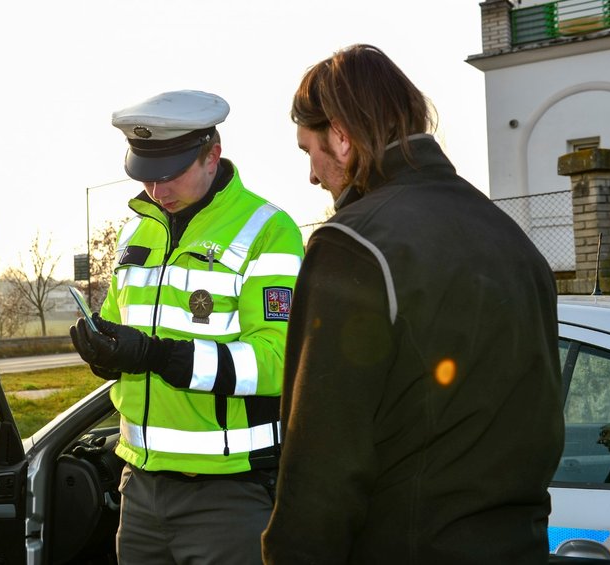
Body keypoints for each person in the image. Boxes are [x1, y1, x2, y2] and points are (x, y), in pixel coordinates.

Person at [261, 45, 564, 564]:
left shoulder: (352, 245)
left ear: (340, 134)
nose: (312, 175)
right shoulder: (512, 240)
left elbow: (323, 462)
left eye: (307, 150)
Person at [69, 90, 304, 564]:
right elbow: (125, 330)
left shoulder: (268, 230)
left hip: (228, 493)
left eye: (170, 173)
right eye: (145, 176)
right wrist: (106, 353)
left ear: (212, 154)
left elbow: (279, 364)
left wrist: (155, 355)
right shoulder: (140, 231)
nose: (157, 190)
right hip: (139, 487)